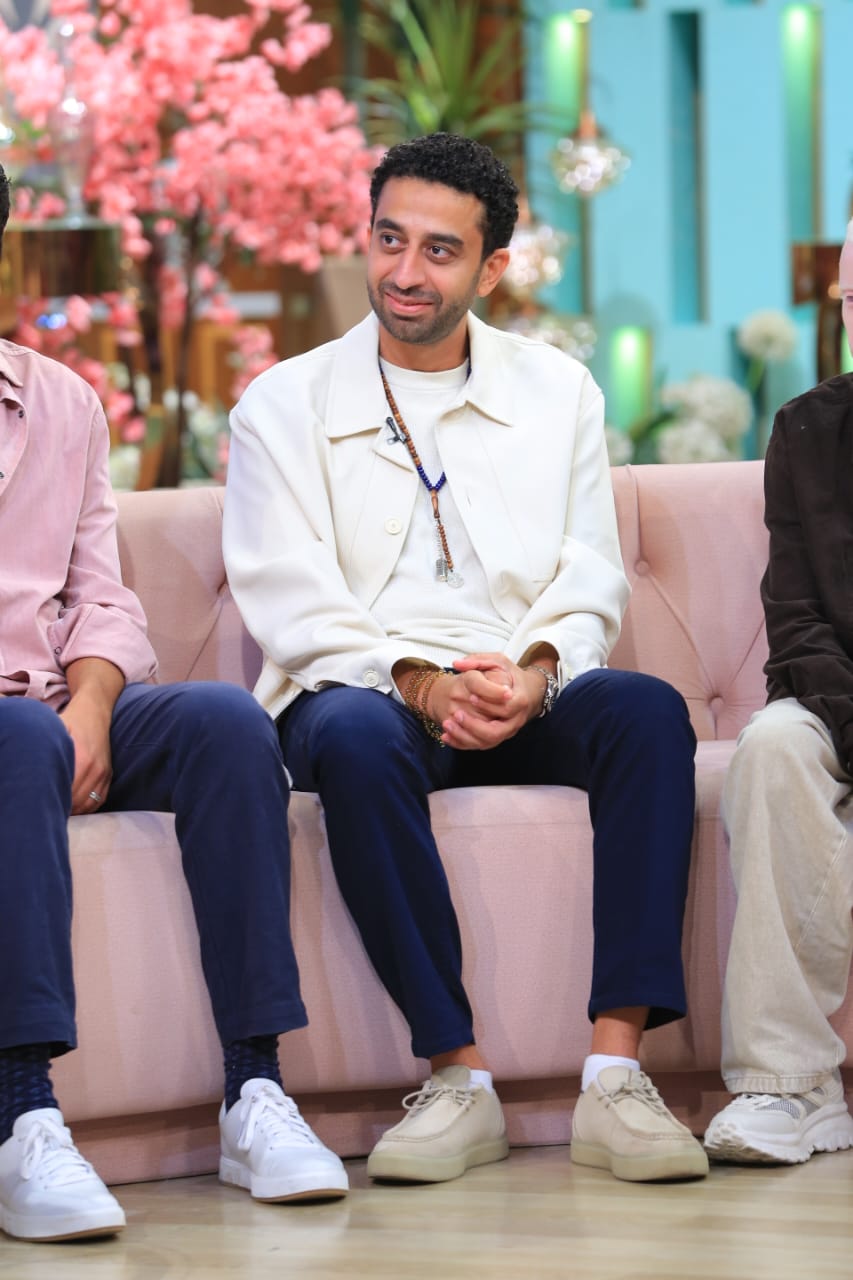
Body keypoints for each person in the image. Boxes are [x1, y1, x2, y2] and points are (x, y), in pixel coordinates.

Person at [223, 131, 707, 1185]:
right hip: (366, 691)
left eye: (439, 251)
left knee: (646, 711)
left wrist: (533, 672)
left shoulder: (558, 391)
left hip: (518, 684)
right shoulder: (283, 402)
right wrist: (420, 681)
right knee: (352, 734)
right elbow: (287, 592)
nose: (405, 271)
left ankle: (615, 1075)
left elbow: (589, 568)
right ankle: (455, 1076)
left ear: (491, 269)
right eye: (388, 239)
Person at [0, 164, 348, 1244]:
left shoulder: (59, 402)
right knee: (18, 737)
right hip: (11, 727)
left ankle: (255, 1089)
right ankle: (21, 1115)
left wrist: (92, 707)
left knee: (226, 723)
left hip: (53, 698)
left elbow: (101, 594)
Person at [703, 223, 853, 1165]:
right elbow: (795, 620)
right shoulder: (806, 428)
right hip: (837, 702)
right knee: (770, 746)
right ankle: (789, 1087)